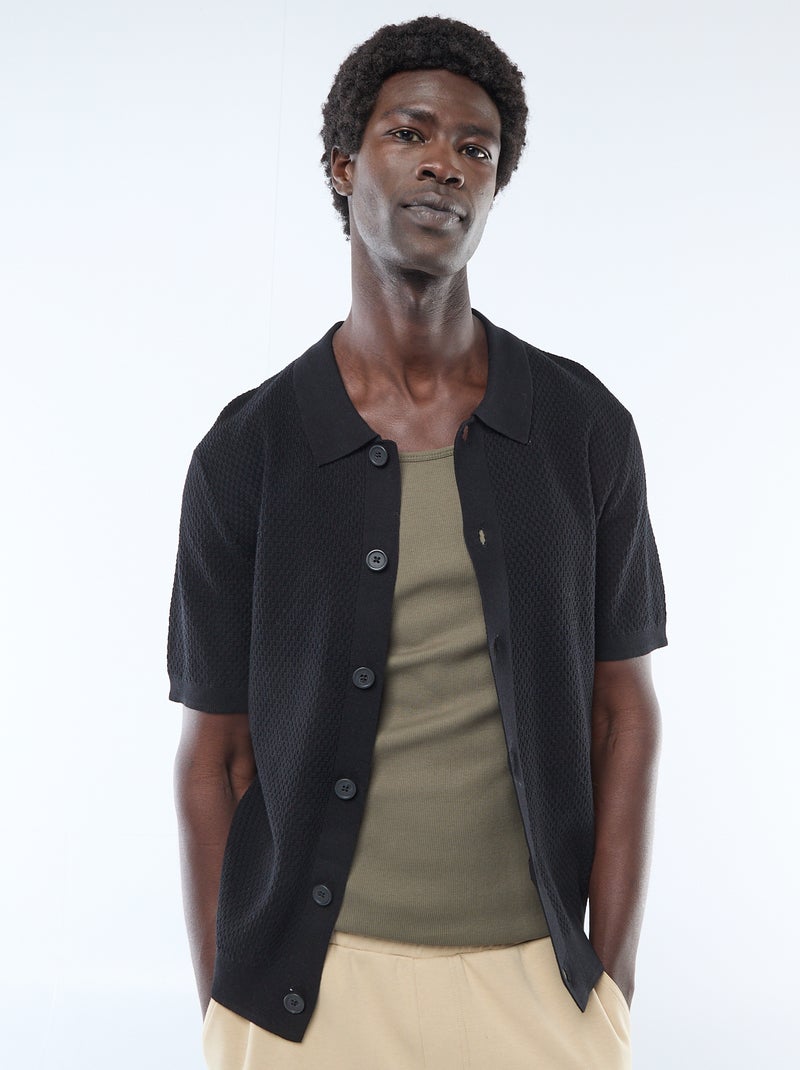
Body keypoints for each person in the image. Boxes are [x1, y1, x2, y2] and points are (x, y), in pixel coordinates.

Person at [168, 15, 667, 1070]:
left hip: (536, 986)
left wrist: (609, 985)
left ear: (494, 186)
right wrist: (225, 998)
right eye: (410, 132)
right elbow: (215, 752)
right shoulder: (248, 451)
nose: (446, 163)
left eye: (476, 147)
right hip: (305, 997)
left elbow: (622, 714)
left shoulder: (580, 428)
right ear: (343, 166)